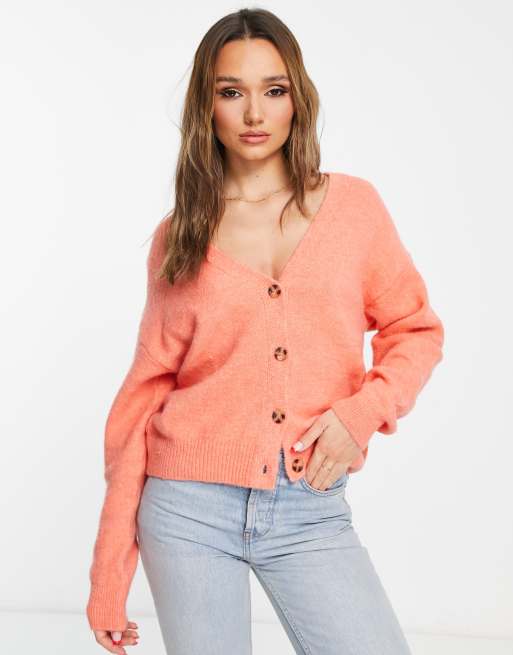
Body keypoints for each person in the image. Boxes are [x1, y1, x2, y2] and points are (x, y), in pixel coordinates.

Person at [86, 7, 444, 655]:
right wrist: (110, 572)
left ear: (296, 99)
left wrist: (361, 413)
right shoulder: (180, 236)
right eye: (231, 92)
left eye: (273, 90)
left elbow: (414, 329)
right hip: (187, 510)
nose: (254, 113)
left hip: (309, 505)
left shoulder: (353, 208)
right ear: (207, 107)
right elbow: (142, 399)